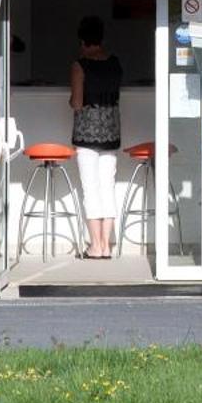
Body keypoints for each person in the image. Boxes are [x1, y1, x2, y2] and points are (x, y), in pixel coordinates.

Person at [69, 15, 124, 259]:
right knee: (108, 188)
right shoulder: (115, 63)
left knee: (90, 189)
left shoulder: (80, 65)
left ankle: (95, 246)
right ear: (101, 38)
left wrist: (71, 99)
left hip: (87, 135)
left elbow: (78, 103)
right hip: (111, 132)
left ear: (82, 40)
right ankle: (108, 245)